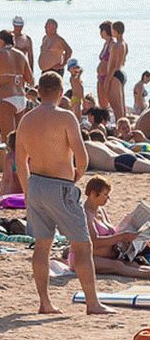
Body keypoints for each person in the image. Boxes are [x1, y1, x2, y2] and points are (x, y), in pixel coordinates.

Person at [15, 72, 112, 315]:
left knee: (42, 246)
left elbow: (20, 161)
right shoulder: (65, 117)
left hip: (36, 183)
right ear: (60, 93)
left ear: (38, 92)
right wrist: (76, 176)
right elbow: (82, 158)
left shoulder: (26, 120)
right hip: (60, 185)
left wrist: (28, 192)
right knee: (82, 245)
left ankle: (45, 302)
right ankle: (92, 303)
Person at [72, 177, 150, 279]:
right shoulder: (85, 214)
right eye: (105, 195)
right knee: (117, 266)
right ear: (93, 193)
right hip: (84, 257)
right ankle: (146, 275)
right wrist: (121, 237)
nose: (107, 198)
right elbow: (94, 242)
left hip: (109, 255)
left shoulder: (101, 210)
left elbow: (112, 233)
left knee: (133, 265)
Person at [0, 29, 33, 142]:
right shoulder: (21, 55)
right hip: (21, 98)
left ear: (1, 41)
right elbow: (30, 79)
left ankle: (8, 160)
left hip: (6, 97)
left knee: (7, 140)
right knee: (19, 139)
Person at [106, 21, 128, 121]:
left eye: (112, 30)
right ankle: (124, 124)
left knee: (116, 106)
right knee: (121, 104)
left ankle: (121, 128)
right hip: (121, 73)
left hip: (114, 75)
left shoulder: (116, 46)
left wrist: (107, 80)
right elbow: (123, 62)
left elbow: (113, 65)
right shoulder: (124, 44)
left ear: (115, 31)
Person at [96, 21, 113, 111]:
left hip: (107, 76)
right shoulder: (106, 44)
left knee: (107, 101)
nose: (100, 33)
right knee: (101, 102)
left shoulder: (112, 44)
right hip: (101, 76)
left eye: (101, 31)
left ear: (105, 31)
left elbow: (114, 62)